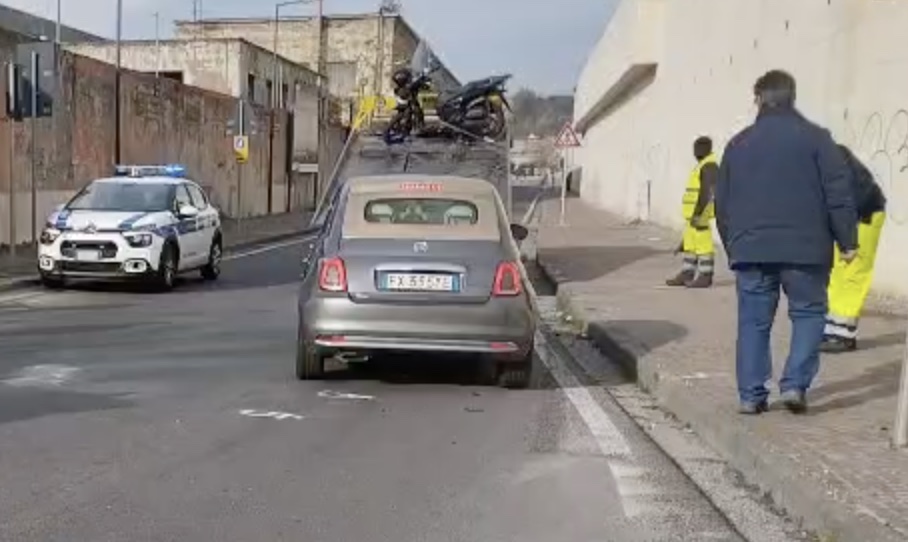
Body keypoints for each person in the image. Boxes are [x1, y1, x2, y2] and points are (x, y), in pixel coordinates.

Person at [715, 70, 858, 415]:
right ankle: (794, 385)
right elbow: (838, 193)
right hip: (806, 250)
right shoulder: (817, 139)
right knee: (808, 314)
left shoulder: (738, 144)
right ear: (792, 97)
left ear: (758, 99)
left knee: (753, 322)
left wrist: (735, 246)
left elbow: (722, 202)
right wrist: (847, 240)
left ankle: (751, 395)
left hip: (751, 249)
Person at [822, 145, 887, 352]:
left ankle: (843, 334)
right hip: (848, 216)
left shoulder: (830, 159)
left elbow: (848, 197)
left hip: (864, 215)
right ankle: (832, 328)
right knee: (838, 273)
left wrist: (847, 241)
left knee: (853, 271)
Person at [666, 136, 719, 288]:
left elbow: (708, 192)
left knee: (703, 247)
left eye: (700, 148)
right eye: (696, 148)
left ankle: (705, 276)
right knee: (690, 246)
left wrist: (700, 214)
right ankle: (687, 273)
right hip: (692, 217)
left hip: (700, 215)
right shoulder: (701, 165)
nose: (697, 151)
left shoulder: (709, 165)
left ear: (707, 149)